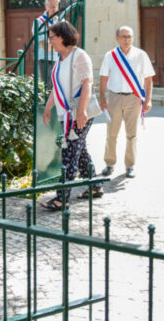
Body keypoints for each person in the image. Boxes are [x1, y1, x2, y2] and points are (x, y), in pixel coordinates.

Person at [39, 21, 103, 210]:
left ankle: (61, 198)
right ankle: (95, 187)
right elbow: (56, 88)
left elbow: (87, 84)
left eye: (52, 38)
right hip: (65, 114)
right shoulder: (60, 59)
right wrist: (48, 107)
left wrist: (82, 111)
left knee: (69, 154)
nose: (49, 41)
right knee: (80, 151)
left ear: (63, 37)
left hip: (79, 114)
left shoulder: (79, 56)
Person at [98, 26, 154, 178]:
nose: (126, 40)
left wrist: (148, 100)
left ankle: (130, 166)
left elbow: (148, 79)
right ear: (117, 38)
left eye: (129, 36)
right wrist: (102, 98)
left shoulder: (141, 55)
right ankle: (109, 164)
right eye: (123, 36)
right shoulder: (110, 55)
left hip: (133, 98)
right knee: (111, 133)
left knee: (132, 134)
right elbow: (103, 78)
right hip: (114, 97)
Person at [33, 0, 61, 84]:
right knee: (49, 90)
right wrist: (62, 44)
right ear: (46, 6)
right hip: (46, 61)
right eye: (52, 6)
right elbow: (45, 46)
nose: (54, 9)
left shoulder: (61, 21)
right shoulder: (39, 22)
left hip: (60, 60)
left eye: (56, 6)